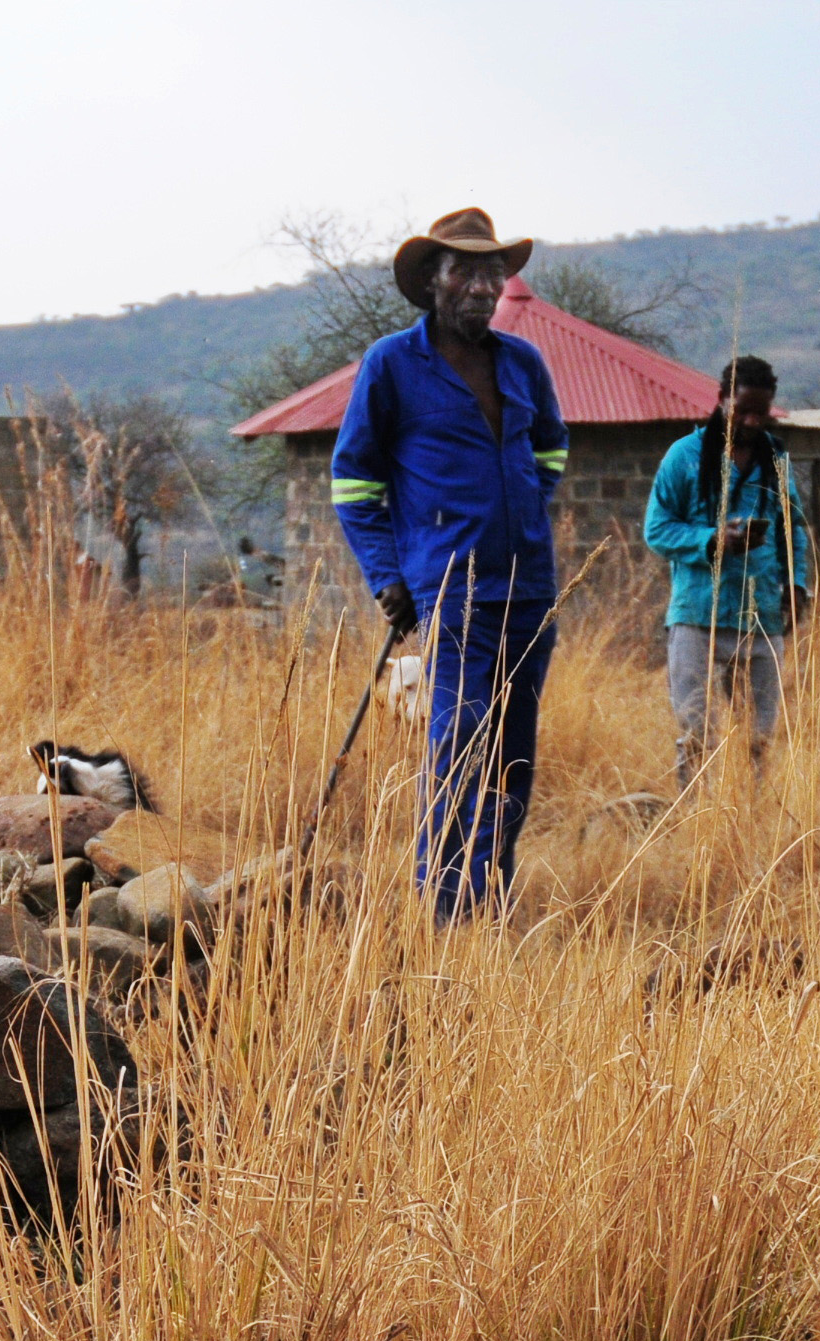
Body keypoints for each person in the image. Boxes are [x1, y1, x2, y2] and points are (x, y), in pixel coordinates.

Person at [328, 208, 570, 919]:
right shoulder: (392, 364)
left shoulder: (523, 364)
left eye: (492, 273)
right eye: (464, 271)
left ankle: (487, 899)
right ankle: (442, 907)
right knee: (459, 738)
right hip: (451, 591)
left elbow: (551, 449)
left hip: (529, 589)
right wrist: (389, 574)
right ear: (433, 282)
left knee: (513, 755)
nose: (481, 286)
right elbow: (353, 483)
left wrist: (521, 509)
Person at [641, 355, 811, 790]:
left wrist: (796, 583)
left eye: (762, 412)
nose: (752, 421)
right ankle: (697, 818)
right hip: (697, 613)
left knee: (760, 736)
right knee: (696, 733)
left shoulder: (776, 459)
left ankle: (753, 815)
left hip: (761, 615)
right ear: (721, 400)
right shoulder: (684, 456)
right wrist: (712, 540)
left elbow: (793, 528)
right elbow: (657, 529)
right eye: (743, 410)